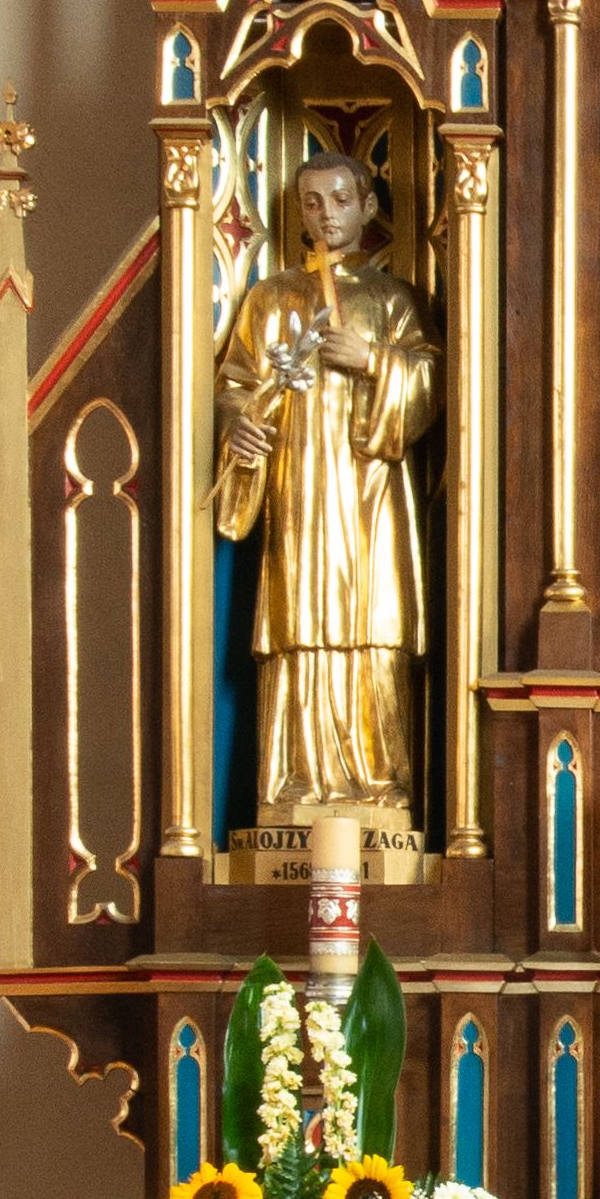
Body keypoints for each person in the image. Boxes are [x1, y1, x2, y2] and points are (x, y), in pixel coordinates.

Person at [213, 151, 437, 815]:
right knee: (300, 627)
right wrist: (238, 426)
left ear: (367, 207)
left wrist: (373, 360)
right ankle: (294, 783)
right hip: (301, 490)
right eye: (311, 203)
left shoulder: (393, 299)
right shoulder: (271, 298)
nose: (326, 215)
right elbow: (234, 385)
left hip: (370, 494)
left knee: (375, 623)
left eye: (340, 200)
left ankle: (380, 784)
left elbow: (435, 382)